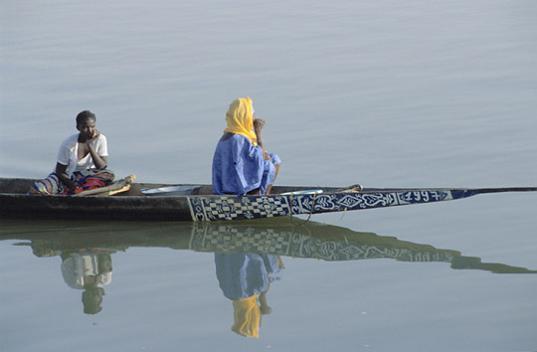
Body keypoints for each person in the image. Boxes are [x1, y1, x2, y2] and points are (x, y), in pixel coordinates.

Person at [31, 110, 114, 195]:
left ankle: (82, 191)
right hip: (66, 178)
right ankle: (73, 191)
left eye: (92, 127)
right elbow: (60, 172)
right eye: (85, 127)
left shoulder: (101, 139)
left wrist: (90, 145)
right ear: (78, 127)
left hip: (88, 177)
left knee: (108, 174)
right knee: (39, 189)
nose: (90, 130)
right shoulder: (68, 144)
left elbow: (102, 166)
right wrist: (73, 187)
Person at [212, 97, 281, 196]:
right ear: (244, 116)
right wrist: (258, 133)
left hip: (228, 184)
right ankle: (262, 195)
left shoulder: (228, 135)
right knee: (271, 164)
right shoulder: (238, 138)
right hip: (237, 187)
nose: (253, 117)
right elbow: (262, 157)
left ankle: (262, 193)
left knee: (273, 158)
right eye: (252, 115)